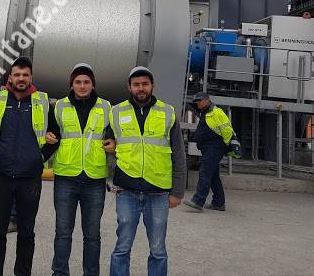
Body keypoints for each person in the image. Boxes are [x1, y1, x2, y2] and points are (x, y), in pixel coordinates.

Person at [109, 66, 186, 276]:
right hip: (127, 191)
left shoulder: (168, 112)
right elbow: (106, 145)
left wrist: (177, 192)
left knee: (158, 250)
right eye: (136, 85)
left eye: (145, 84)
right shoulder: (115, 112)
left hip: (158, 192)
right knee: (122, 248)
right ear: (129, 87)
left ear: (152, 86)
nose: (141, 88)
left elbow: (179, 154)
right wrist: (112, 171)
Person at [42, 63, 115, 276]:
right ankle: (59, 273)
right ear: (71, 84)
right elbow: (52, 137)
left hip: (94, 178)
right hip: (66, 177)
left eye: (86, 82)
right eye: (78, 82)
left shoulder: (106, 107)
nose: (82, 86)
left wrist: (114, 143)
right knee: (63, 233)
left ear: (93, 84)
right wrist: (41, 153)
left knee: (92, 235)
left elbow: (114, 135)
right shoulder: (59, 106)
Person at [0, 56, 55, 276]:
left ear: (31, 77)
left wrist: (40, 157)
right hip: (2, 176)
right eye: (17, 75)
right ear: (10, 77)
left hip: (29, 178)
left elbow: (56, 135)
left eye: (25, 75)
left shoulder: (42, 102)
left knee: (26, 233)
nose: (21, 78)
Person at [184, 92, 235, 212]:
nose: (197, 104)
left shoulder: (216, 112)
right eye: (196, 102)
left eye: (199, 101)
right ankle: (218, 203)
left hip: (215, 147)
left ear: (207, 100)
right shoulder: (206, 112)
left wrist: (224, 145)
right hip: (209, 148)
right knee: (213, 176)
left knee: (205, 172)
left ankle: (198, 201)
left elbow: (227, 130)